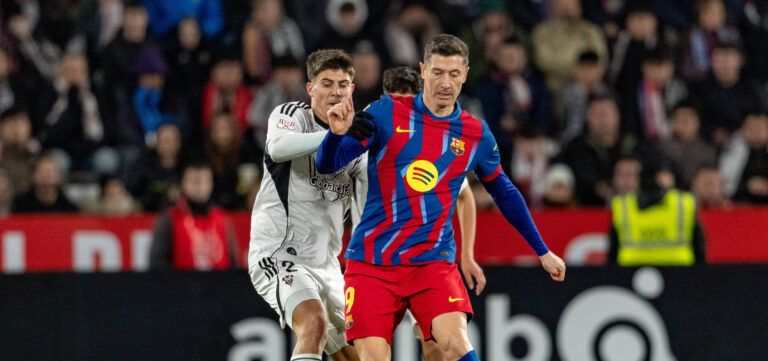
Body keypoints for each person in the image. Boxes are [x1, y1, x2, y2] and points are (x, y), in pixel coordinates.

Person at [315, 34, 565, 361]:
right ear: (423, 71)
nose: (444, 83)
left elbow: (503, 191)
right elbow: (328, 165)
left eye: (453, 74)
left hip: (431, 263)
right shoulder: (386, 112)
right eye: (437, 72)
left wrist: (542, 250)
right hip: (372, 264)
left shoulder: (475, 133)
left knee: (457, 345)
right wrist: (335, 136)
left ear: (465, 74)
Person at [360, 65, 483, 361]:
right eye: (395, 101)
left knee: (438, 346)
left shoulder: (431, 148)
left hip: (423, 261)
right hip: (374, 263)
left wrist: (467, 255)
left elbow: (465, 197)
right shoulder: (364, 138)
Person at [247, 49, 362, 361]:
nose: (335, 91)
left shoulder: (361, 141)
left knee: (359, 354)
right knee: (313, 322)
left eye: (343, 83)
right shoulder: (292, 115)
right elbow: (278, 147)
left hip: (328, 265)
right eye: (326, 83)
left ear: (352, 89)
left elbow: (368, 209)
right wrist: (331, 138)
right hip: (279, 254)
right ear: (310, 89)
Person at [608, 161, 706, 265]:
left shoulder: (623, 206)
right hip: (679, 270)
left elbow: (613, 251)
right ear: (660, 178)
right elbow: (699, 247)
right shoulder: (683, 203)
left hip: (629, 272)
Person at [149, 161, 237, 270]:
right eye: (195, 181)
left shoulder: (222, 218)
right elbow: (157, 263)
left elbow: (233, 264)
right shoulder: (170, 218)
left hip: (220, 284)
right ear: (183, 183)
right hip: (182, 284)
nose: (200, 187)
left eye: (205, 181)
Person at [12, 155, 78, 213]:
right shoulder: (21, 204)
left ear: (59, 176)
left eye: (50, 171)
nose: (46, 175)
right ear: (33, 175)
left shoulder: (68, 207)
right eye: (42, 171)